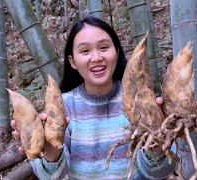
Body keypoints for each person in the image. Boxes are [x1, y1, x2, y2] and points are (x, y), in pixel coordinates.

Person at [12, 16, 177, 179]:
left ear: (117, 52)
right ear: (73, 61)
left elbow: (159, 172)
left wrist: (157, 141)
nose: (97, 58)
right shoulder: (64, 106)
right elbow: (50, 176)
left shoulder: (140, 100)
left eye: (104, 47)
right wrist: (50, 149)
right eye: (85, 51)